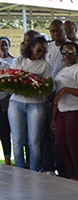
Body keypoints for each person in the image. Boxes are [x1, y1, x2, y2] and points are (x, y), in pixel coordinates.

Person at [8, 37, 52, 171]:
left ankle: (33, 172)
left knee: (34, 142)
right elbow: (10, 78)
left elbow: (47, 88)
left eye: (43, 51)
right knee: (17, 141)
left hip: (36, 105)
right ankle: (20, 170)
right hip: (16, 103)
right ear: (32, 47)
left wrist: (36, 84)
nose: (40, 53)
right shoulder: (20, 59)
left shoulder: (45, 66)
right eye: (38, 50)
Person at [51, 41, 78, 182]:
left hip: (76, 111)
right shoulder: (61, 71)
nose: (67, 55)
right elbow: (57, 96)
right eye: (64, 53)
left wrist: (65, 89)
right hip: (61, 112)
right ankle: (72, 174)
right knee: (60, 144)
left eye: (70, 52)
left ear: (77, 54)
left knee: (72, 144)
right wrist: (53, 117)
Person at [0, 36, 13, 165]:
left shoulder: (5, 64)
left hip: (3, 102)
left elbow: (8, 85)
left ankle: (7, 159)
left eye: (5, 45)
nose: (3, 48)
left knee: (4, 131)